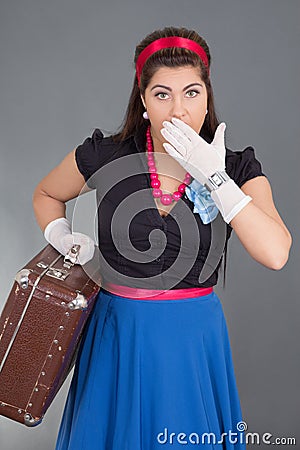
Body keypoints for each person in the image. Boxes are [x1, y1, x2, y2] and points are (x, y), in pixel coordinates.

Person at [33, 26, 292, 450]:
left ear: (208, 96)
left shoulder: (237, 167)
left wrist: (216, 178)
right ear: (143, 100)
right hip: (116, 333)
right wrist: (60, 233)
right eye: (161, 94)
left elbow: (276, 253)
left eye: (191, 93)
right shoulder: (108, 154)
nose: (178, 110)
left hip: (191, 340)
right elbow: (46, 194)